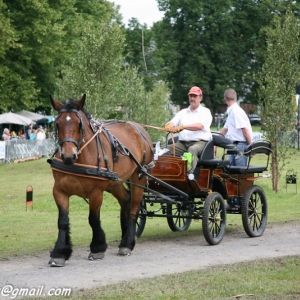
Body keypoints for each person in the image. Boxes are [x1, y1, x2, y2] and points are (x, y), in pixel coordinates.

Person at [164, 86, 213, 174]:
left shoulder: (206, 112)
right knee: (164, 149)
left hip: (200, 143)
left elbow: (200, 126)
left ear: (200, 98)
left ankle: (188, 176)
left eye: (195, 96)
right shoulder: (182, 112)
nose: (192, 98)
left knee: (192, 150)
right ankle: (165, 173)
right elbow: (173, 122)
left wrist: (183, 126)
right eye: (191, 96)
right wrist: (169, 125)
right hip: (182, 144)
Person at [220, 88, 253, 166]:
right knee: (231, 173)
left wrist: (251, 147)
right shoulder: (232, 112)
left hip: (241, 146)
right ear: (236, 98)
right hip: (233, 145)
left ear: (225, 99)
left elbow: (245, 130)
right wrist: (215, 142)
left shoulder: (236, 111)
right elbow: (225, 129)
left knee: (240, 174)